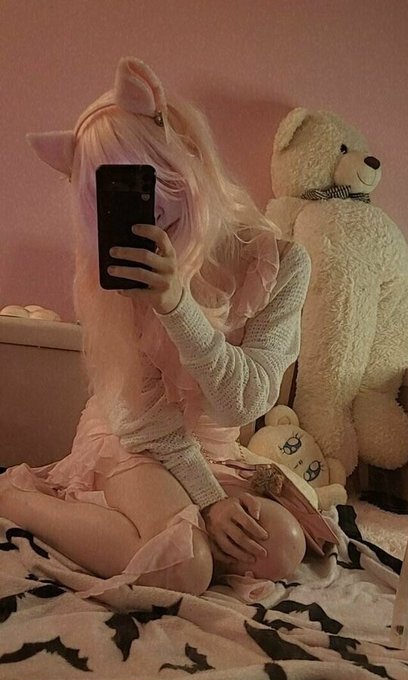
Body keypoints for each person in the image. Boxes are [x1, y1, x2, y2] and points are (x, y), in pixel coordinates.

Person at [0, 57, 335, 599]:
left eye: (141, 174)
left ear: (185, 156)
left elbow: (244, 404)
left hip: (213, 443)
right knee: (183, 565)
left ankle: (142, 527)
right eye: (106, 191)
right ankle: (17, 499)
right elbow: (137, 416)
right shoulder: (114, 275)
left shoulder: (282, 262)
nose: (143, 205)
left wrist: (178, 306)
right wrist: (210, 501)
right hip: (132, 437)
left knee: (282, 546)